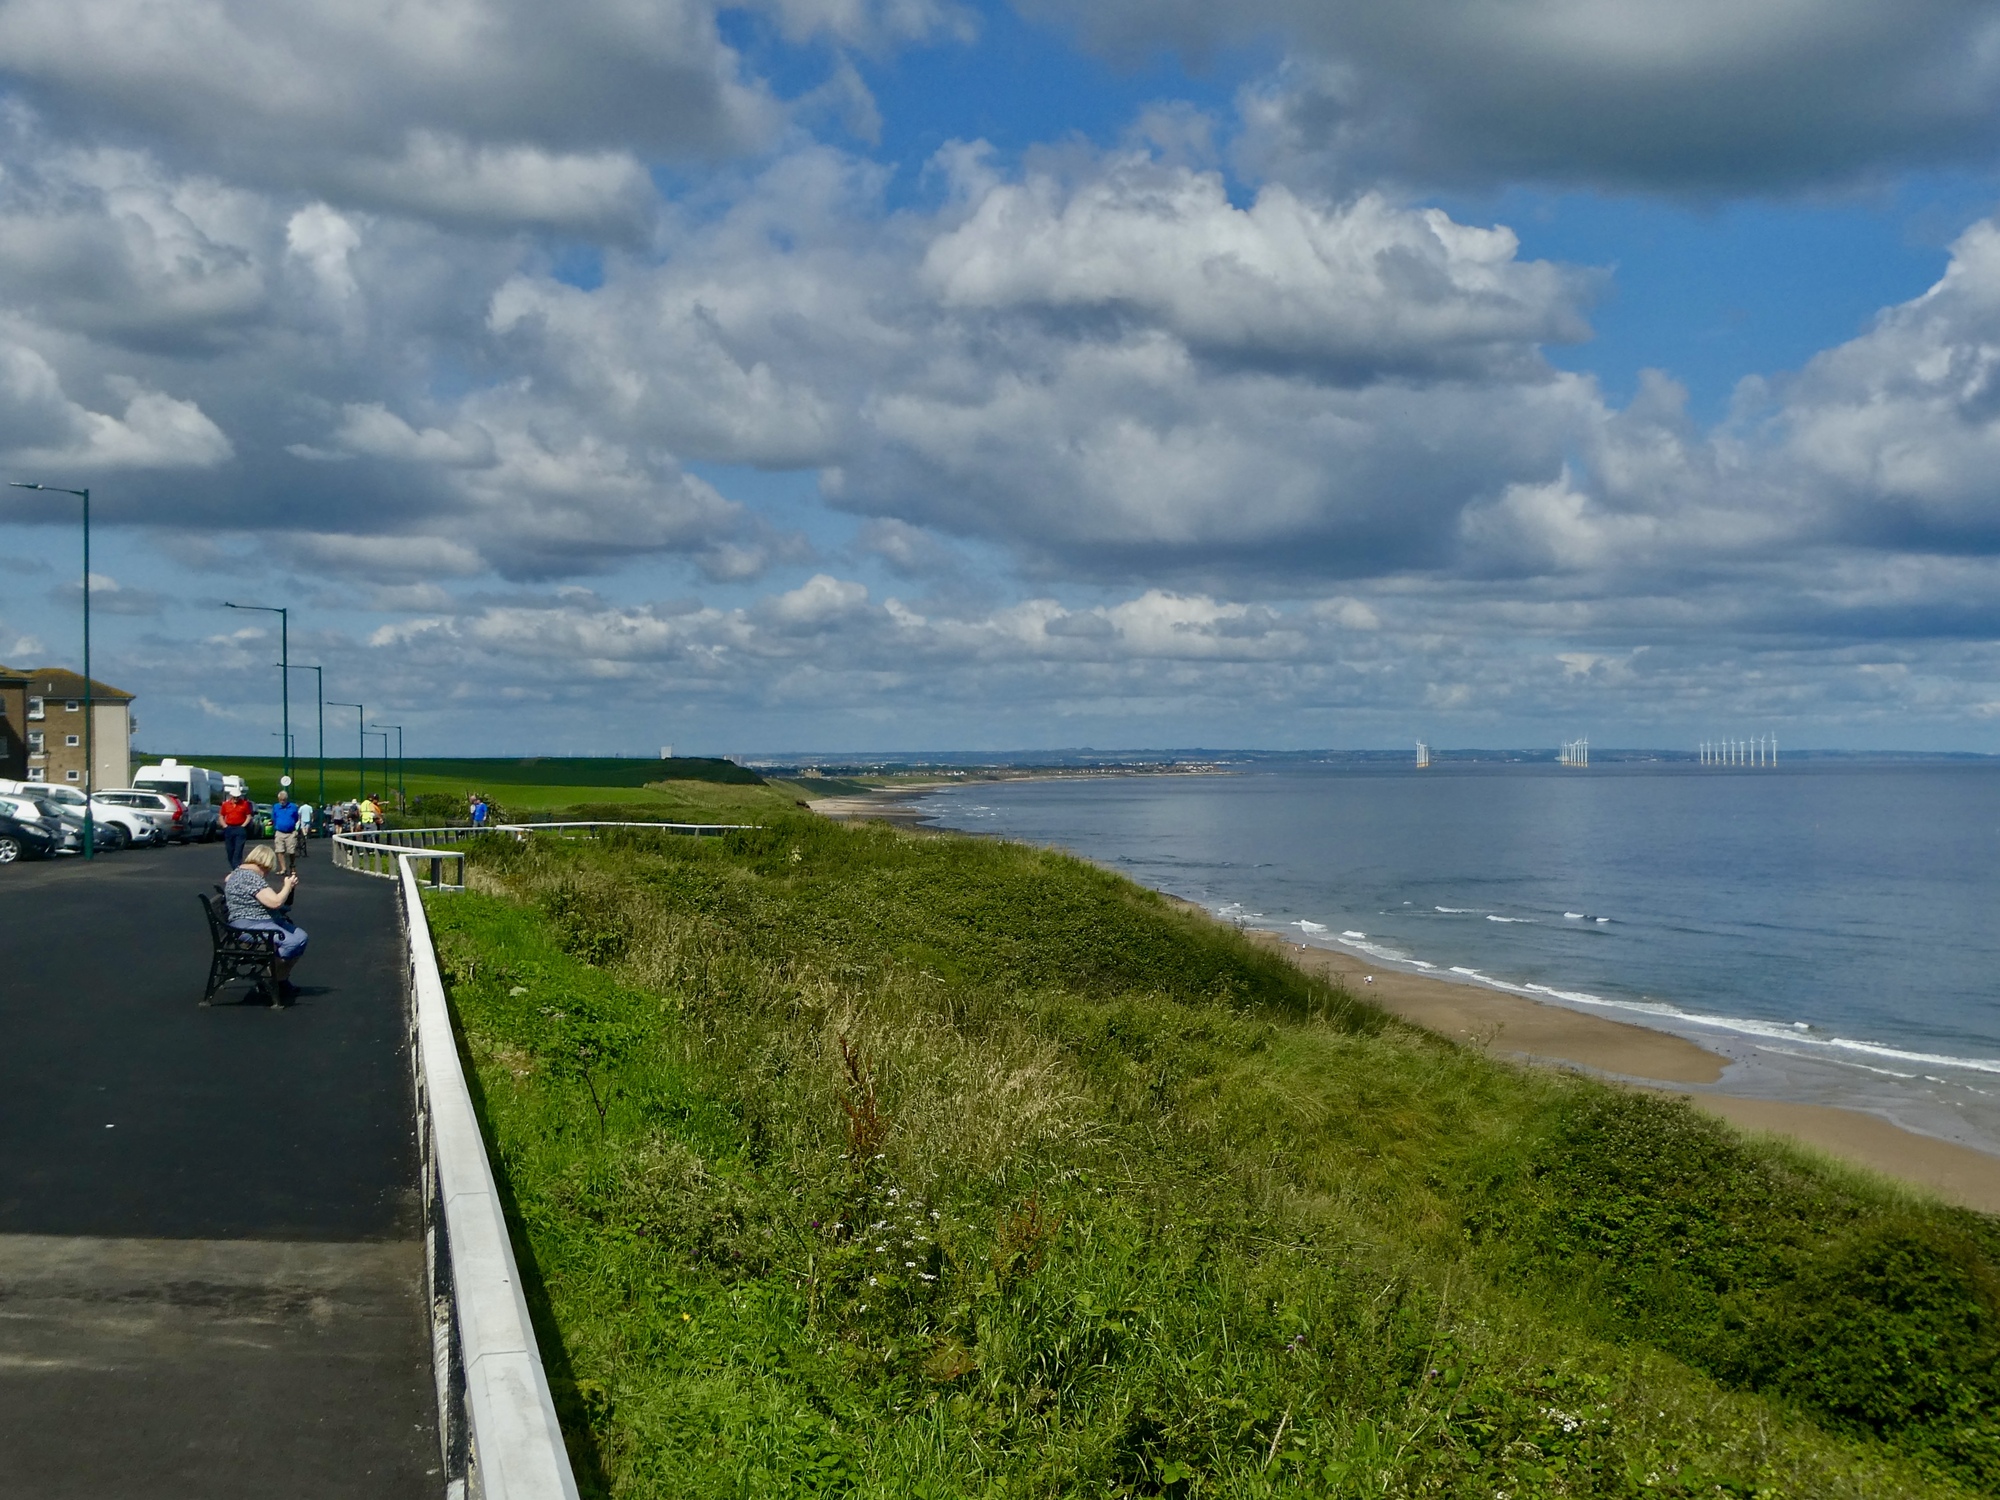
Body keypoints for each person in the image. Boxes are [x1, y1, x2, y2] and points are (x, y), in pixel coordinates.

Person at [223, 844, 306, 1003]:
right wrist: (287, 886)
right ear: (265, 863)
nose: (267, 873)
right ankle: (269, 978)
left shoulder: (239, 872)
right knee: (293, 943)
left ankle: (279, 979)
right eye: (269, 868)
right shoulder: (250, 878)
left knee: (301, 937)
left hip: (259, 920)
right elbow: (275, 902)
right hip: (249, 925)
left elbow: (228, 879)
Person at [218, 786, 254, 868]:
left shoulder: (244, 804)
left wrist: (243, 826)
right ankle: (234, 867)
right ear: (231, 797)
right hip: (229, 828)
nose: (236, 799)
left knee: (238, 850)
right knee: (230, 850)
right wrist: (224, 826)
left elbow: (248, 816)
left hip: (239, 828)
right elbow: (221, 816)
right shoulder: (225, 805)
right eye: (234, 797)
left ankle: (237, 867)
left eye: (237, 797)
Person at [269, 789, 302, 874]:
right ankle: (283, 868)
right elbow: (274, 817)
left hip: (290, 832)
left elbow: (296, 818)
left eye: (283, 800)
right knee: (279, 850)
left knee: (291, 851)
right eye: (280, 800)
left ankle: (292, 865)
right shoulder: (276, 807)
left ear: (286, 799)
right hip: (279, 831)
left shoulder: (293, 807)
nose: (282, 801)